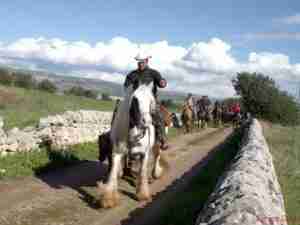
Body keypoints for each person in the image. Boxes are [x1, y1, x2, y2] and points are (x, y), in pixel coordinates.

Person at [124, 52, 169, 150]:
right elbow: (126, 86)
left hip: (151, 102)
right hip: (135, 102)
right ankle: (119, 138)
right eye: (139, 62)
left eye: (142, 62)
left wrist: (163, 83)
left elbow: (161, 83)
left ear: (147, 61)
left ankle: (162, 139)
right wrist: (130, 90)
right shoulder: (132, 74)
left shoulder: (154, 73)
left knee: (159, 117)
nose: (140, 64)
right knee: (122, 115)